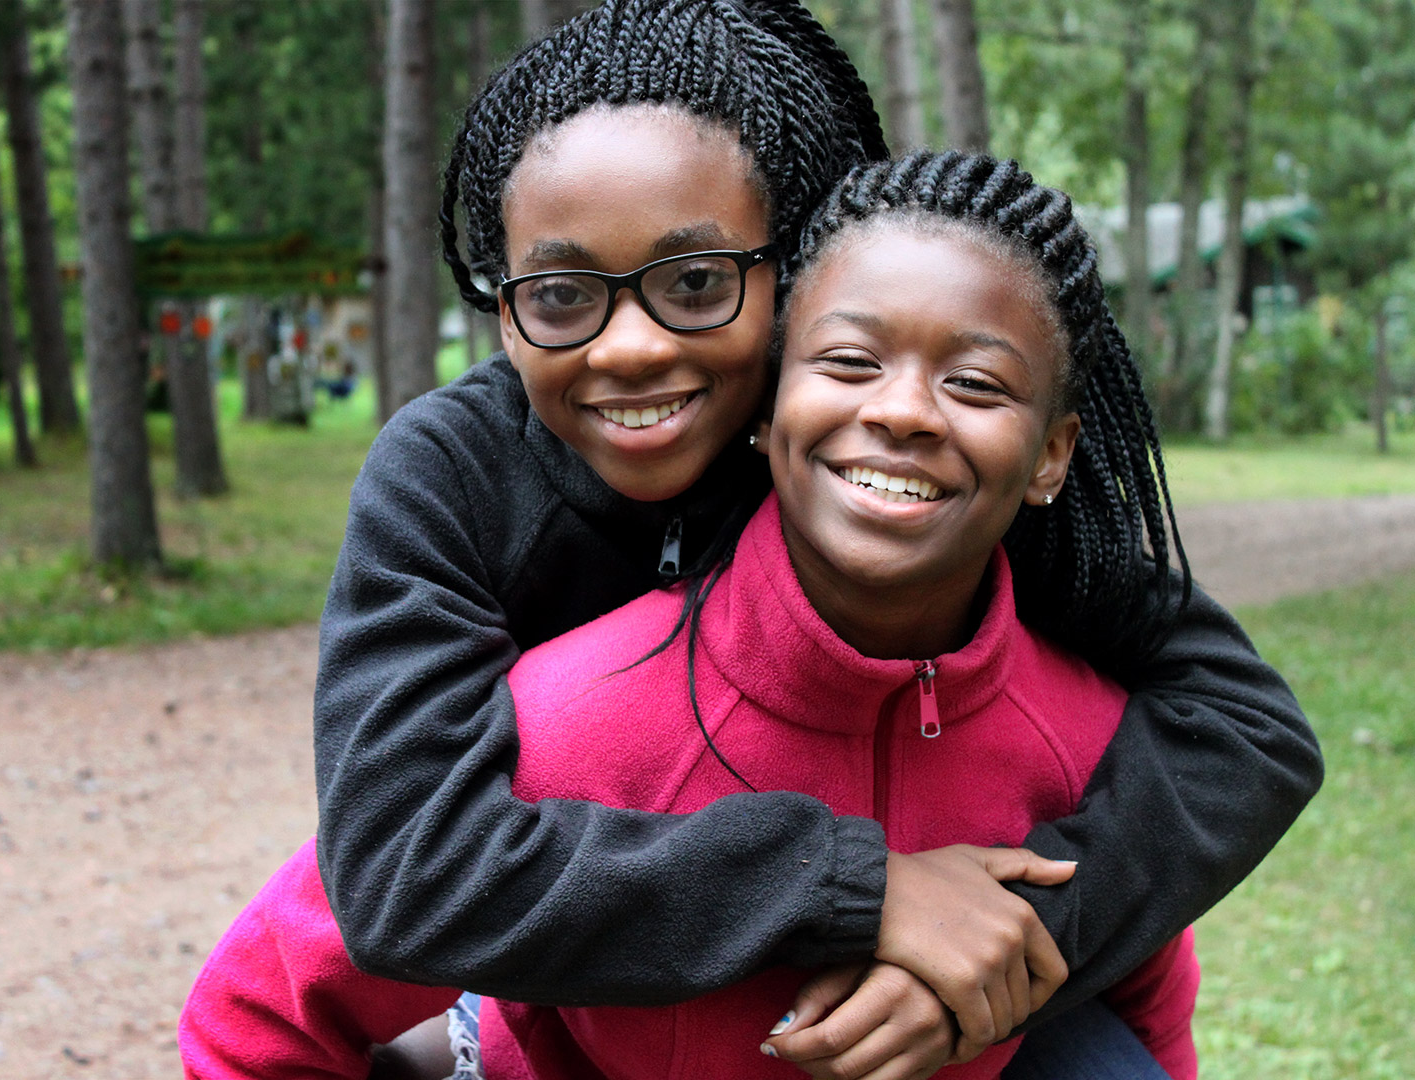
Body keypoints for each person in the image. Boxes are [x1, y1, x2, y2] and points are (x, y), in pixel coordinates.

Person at [313, 0, 1320, 1065]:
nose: (633, 348)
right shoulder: (453, 476)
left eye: (696, 283)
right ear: (507, 307)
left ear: (790, 272)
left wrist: (1009, 948)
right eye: (561, 296)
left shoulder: (884, 471)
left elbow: (1244, 727)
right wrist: (857, 885)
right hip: (597, 1001)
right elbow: (402, 872)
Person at [184, 150, 1230, 1080]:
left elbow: (1138, 1017)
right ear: (767, 414)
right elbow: (261, 1013)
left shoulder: (1094, 741)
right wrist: (849, 892)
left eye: (973, 382)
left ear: (1053, 454)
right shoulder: (571, 721)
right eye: (852, 363)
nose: (904, 411)